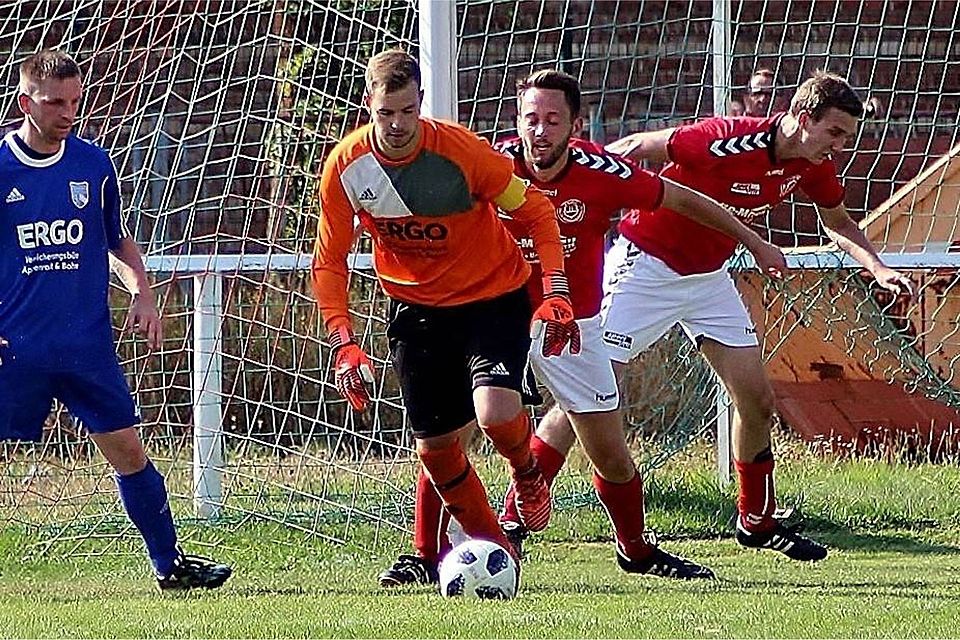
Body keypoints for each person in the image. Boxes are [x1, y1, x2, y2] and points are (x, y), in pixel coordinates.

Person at [377, 68, 789, 585]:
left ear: (576, 126)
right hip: (491, 315)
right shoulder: (487, 166)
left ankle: (635, 551)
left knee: (609, 452)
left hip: (573, 325)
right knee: (447, 434)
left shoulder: (603, 172)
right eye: (531, 119)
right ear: (517, 121)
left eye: (553, 120)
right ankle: (424, 555)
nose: (540, 131)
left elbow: (680, 197)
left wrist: (753, 241)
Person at [593, 70, 914, 561]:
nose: (840, 146)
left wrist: (878, 268)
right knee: (592, 393)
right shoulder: (726, 139)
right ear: (802, 118)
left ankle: (756, 522)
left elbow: (837, 222)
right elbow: (638, 144)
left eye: (847, 136)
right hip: (646, 265)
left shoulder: (812, 164)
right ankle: (517, 516)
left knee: (757, 400)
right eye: (834, 132)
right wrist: (585, 184)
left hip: (707, 279)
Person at [312, 50, 578, 582]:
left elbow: (536, 211)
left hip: (491, 297)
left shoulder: (462, 152)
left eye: (407, 111)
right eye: (386, 113)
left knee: (495, 414)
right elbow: (329, 260)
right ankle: (498, 554)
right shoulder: (345, 167)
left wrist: (555, 293)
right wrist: (343, 342)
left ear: (421, 104)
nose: (396, 124)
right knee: (435, 449)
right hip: (416, 310)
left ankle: (526, 469)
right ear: (368, 104)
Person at [0, 50, 231, 591]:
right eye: (54, 103)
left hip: (85, 347)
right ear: (25, 102)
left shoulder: (93, 165)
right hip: (16, 347)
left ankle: (169, 565)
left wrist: (142, 293)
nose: (68, 113)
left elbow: (117, 240)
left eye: (74, 101)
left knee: (128, 451)